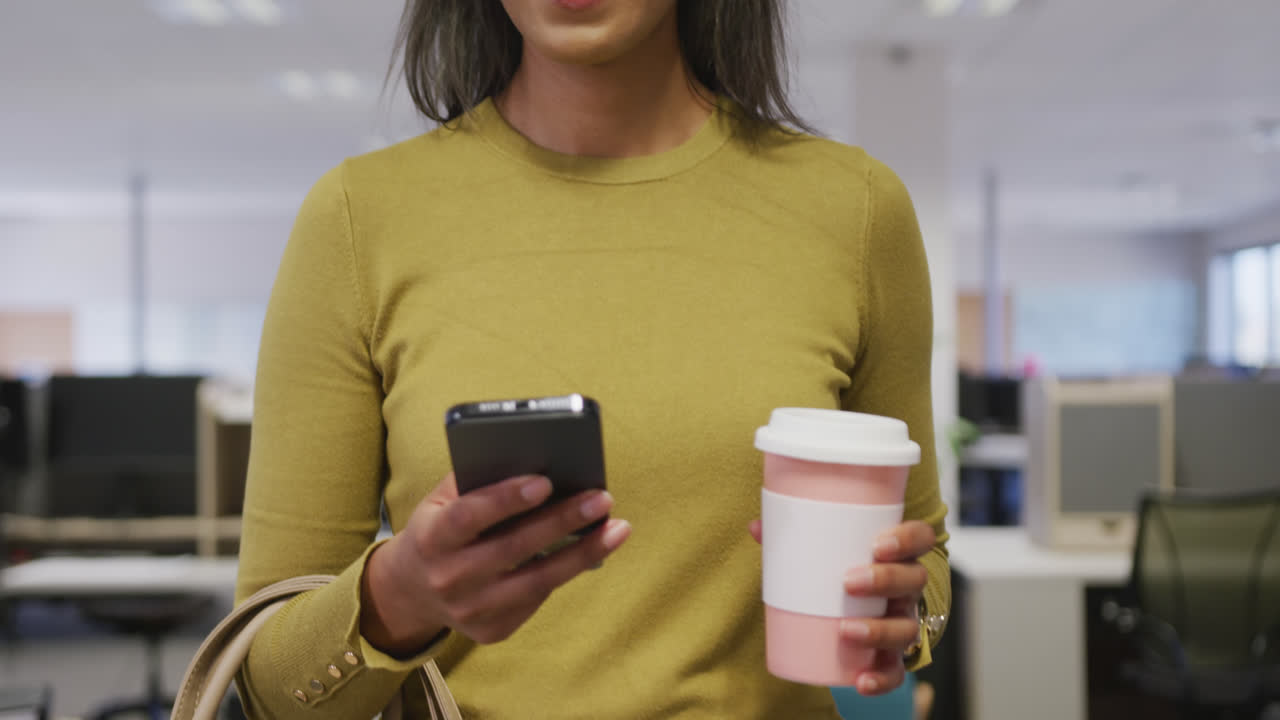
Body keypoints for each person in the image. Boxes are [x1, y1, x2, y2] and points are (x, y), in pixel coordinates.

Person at [234, 0, 950, 717]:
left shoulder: (855, 210)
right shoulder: (359, 219)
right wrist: (398, 598)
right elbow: (267, 686)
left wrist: (899, 614)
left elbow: (928, 571)